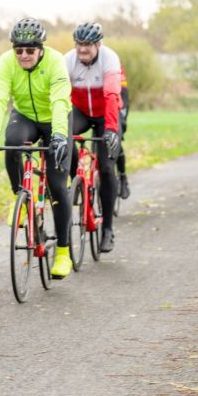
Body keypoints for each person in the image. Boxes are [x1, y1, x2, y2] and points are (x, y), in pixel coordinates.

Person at [0, 17, 74, 278]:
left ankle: (62, 252)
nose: (23, 55)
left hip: (55, 119)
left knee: (58, 185)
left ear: (41, 49)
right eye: (18, 50)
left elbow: (60, 100)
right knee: (12, 144)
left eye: (29, 50)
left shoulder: (55, 61)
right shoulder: (6, 61)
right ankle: (21, 198)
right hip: (25, 116)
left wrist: (59, 136)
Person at [65, 21, 122, 252]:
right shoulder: (68, 60)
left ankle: (107, 229)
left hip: (104, 115)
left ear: (98, 44)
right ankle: (76, 180)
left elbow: (110, 95)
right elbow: (61, 96)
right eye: (79, 44)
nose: (82, 50)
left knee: (107, 169)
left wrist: (110, 129)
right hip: (80, 111)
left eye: (87, 45)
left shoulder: (110, 59)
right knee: (64, 136)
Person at [116, 65, 130, 199]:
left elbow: (123, 91)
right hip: (94, 107)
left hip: (118, 101)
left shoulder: (112, 60)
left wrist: (122, 115)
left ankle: (122, 177)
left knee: (116, 139)